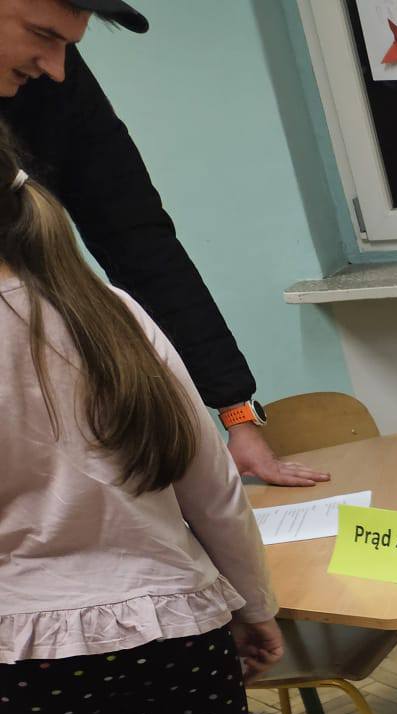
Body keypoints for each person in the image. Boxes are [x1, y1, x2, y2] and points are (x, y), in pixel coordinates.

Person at [0, 123, 311, 714]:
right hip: (175, 628)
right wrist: (254, 605)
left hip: (29, 658)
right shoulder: (111, 311)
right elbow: (212, 486)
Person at [0, 0, 331, 487]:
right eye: (43, 34)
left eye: (69, 45)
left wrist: (235, 411)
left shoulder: (56, 85)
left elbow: (140, 243)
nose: (55, 67)